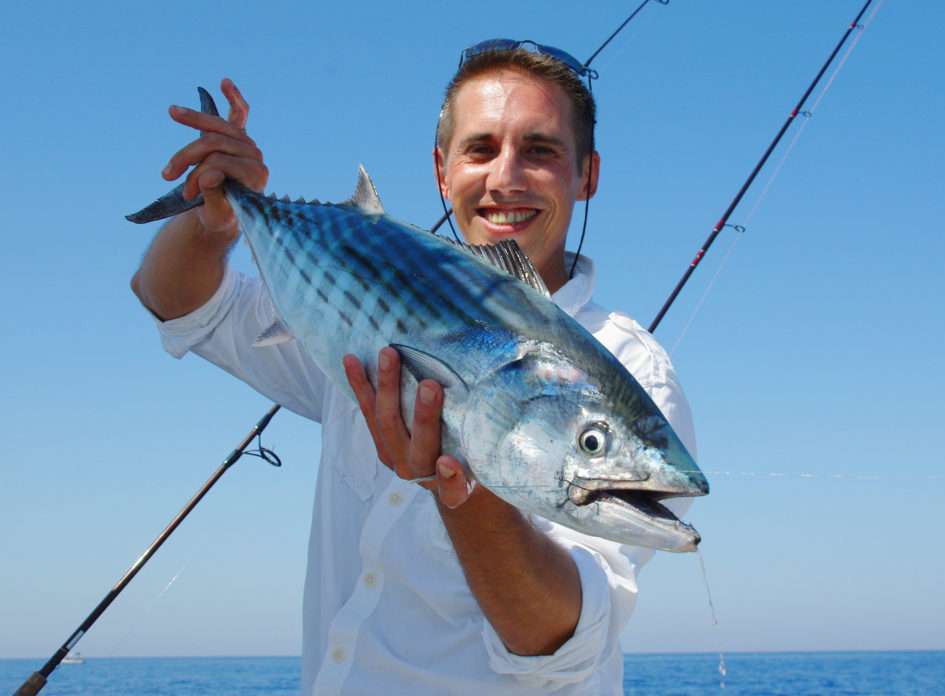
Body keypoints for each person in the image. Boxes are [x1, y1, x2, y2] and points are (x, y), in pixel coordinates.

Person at [132, 43, 697, 695]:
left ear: (587, 174)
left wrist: (461, 489)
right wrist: (216, 219)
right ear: (442, 170)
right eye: (480, 149)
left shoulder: (630, 367)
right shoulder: (363, 297)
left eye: (540, 150)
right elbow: (177, 303)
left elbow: (559, 642)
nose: (506, 179)